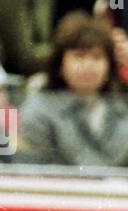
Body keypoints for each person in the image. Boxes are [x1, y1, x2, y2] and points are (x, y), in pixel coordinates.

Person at [20, 12, 128, 168]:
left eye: (97, 57)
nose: (88, 66)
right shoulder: (39, 110)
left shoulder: (121, 107)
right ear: (59, 65)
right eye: (79, 56)